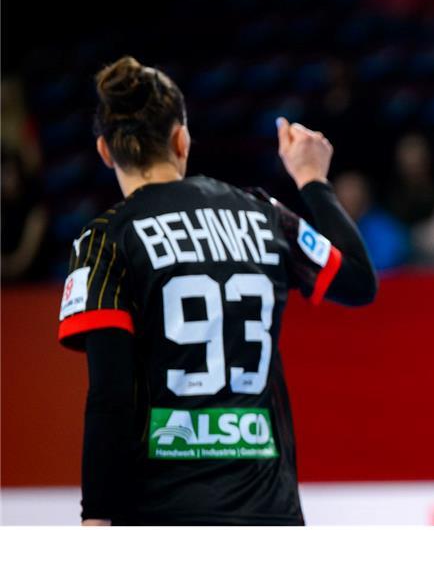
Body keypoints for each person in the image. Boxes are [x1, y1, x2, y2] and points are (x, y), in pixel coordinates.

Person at [57, 57, 376, 525]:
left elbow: (111, 397)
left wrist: (96, 517)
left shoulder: (105, 240)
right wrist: (312, 179)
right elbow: (358, 282)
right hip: (269, 513)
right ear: (181, 139)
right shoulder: (262, 214)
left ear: (106, 151)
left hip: (163, 516)